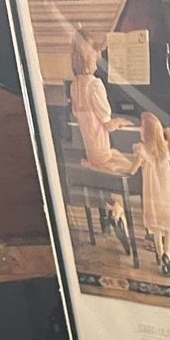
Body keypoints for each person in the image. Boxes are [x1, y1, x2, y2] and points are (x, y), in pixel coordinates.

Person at [68, 29, 136, 248]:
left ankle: (112, 210)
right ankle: (116, 212)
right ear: (90, 56)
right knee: (135, 169)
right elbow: (107, 123)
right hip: (104, 152)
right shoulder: (95, 85)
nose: (99, 57)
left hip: (91, 153)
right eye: (97, 53)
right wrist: (123, 121)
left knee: (114, 178)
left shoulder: (75, 85)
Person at [131, 112, 170, 281]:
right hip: (168, 194)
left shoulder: (142, 150)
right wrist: (169, 134)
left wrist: (129, 165)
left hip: (153, 195)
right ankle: (167, 256)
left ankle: (161, 254)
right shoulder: (163, 148)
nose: (139, 129)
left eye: (141, 127)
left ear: (146, 132)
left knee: (156, 228)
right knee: (169, 228)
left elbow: (133, 170)